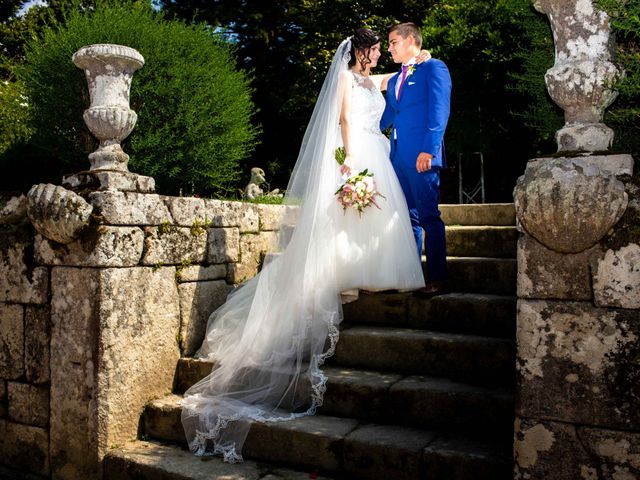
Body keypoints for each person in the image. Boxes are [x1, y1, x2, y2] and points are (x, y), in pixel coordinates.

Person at [180, 29, 424, 463]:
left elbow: (393, 76)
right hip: (355, 151)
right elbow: (347, 119)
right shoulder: (347, 80)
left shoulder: (373, 79)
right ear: (359, 52)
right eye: (371, 48)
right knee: (349, 217)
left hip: (377, 151)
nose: (375, 54)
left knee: (374, 219)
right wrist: (349, 161)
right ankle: (343, 274)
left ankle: (368, 271)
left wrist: (418, 58)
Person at [380, 22, 452, 297]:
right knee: (406, 219)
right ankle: (410, 276)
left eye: (393, 42)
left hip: (422, 155)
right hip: (396, 158)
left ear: (411, 40)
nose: (389, 48)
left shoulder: (433, 68)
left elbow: (439, 111)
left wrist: (429, 150)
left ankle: (438, 278)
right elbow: (388, 117)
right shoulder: (396, 79)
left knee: (429, 217)